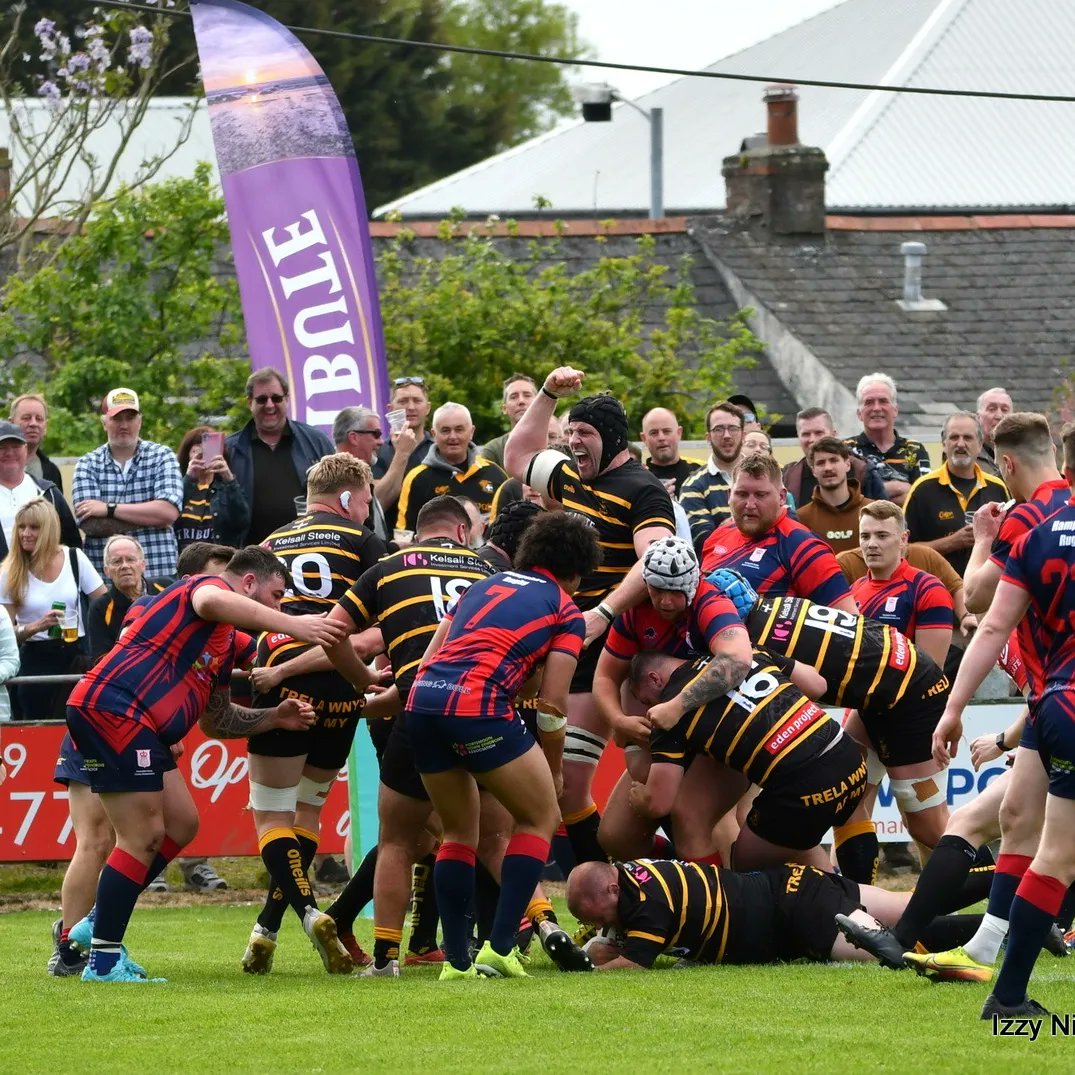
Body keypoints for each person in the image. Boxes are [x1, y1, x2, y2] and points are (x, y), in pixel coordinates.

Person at [65, 545, 347, 983]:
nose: (280, 605)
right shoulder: (205, 588)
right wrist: (297, 624)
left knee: (181, 824)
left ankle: (97, 922)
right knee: (141, 835)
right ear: (248, 583)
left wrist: (275, 716)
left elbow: (218, 721)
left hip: (141, 724)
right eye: (276, 595)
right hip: (116, 710)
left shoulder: (225, 641)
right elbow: (212, 600)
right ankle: (102, 960)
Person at [397, 511, 602, 980]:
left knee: (458, 832)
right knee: (540, 815)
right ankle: (502, 947)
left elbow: (431, 656)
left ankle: (455, 962)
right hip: (478, 705)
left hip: (424, 702)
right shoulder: (565, 611)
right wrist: (552, 768)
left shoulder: (481, 586)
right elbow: (552, 705)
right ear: (575, 571)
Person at [929, 420, 1075, 1020]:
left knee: (1025, 828)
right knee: (1055, 855)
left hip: (1055, 703)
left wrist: (953, 708)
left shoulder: (1039, 533)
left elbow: (986, 621)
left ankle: (991, 961)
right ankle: (1006, 993)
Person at [504, 367, 675, 868]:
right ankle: (613, 893)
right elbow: (516, 455)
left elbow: (656, 560)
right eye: (571, 432)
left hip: (620, 645)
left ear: (615, 439)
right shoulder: (570, 477)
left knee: (614, 786)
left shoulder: (642, 490)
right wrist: (548, 395)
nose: (574, 441)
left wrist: (603, 612)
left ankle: (650, 887)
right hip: (572, 642)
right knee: (568, 790)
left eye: (586, 434)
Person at [706, 575, 952, 879]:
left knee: (928, 826)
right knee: (848, 801)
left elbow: (811, 688)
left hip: (907, 695)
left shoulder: (752, 644)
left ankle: (994, 890)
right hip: (890, 682)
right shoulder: (775, 606)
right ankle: (857, 900)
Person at [240, 453, 383, 975]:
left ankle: (305, 914)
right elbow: (376, 628)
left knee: (272, 814)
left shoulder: (270, 542)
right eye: (367, 501)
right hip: (343, 685)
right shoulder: (365, 544)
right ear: (348, 498)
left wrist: (277, 670)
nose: (368, 512)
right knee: (308, 811)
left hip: (279, 672)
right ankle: (266, 927)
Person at [628, 649, 868, 872]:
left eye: (647, 701)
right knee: (793, 839)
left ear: (655, 679)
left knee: (744, 869)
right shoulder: (747, 652)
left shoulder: (668, 715)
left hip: (804, 787)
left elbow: (658, 803)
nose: (650, 709)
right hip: (850, 759)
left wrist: (642, 801)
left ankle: (744, 912)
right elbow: (817, 685)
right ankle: (856, 903)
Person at [592, 537, 751, 864]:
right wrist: (617, 720)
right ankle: (682, 874)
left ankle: (731, 904)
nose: (665, 601)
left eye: (675, 592)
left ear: (693, 584)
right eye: (657, 590)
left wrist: (677, 706)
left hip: (719, 734)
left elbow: (737, 660)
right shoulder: (635, 611)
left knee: (698, 819)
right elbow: (605, 676)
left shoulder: (710, 602)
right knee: (616, 838)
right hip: (667, 732)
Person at [565, 858, 975, 971]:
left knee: (898, 945)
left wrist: (591, 960)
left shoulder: (646, 903)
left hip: (793, 915)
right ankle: (1012, 880)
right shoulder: (629, 871)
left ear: (613, 889)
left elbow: (632, 964)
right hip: (796, 883)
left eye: (597, 913)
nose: (601, 923)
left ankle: (1011, 923)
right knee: (913, 903)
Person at [699, 453, 858, 613]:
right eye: (742, 494)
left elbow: (849, 620)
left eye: (761, 495)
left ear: (782, 497)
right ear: (729, 495)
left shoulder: (805, 547)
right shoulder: (717, 537)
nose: (750, 504)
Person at [1, 499, 106, 721]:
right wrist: (35, 626)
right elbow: (5, 633)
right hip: (33, 657)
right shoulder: (10, 571)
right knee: (35, 724)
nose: (25, 533)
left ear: (49, 530)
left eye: (34, 527)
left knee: (78, 722)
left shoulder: (74, 558)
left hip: (75, 653)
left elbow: (105, 604)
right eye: (21, 527)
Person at [72, 387, 184, 577]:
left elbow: (168, 512)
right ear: (104, 423)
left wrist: (109, 509)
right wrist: (152, 518)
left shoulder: (163, 456)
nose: (124, 424)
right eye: (117, 418)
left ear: (140, 421)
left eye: (130, 417)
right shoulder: (87, 463)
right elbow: (90, 524)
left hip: (159, 576)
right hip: (106, 582)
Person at [224, 368, 334, 545]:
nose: (269, 405)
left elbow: (339, 492)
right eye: (261, 399)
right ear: (249, 402)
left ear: (287, 399)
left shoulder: (316, 442)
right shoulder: (229, 449)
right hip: (248, 557)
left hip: (307, 549)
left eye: (276, 398)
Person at [903, 411, 1009, 579]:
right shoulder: (922, 489)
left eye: (968, 438)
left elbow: (1010, 544)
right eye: (954, 437)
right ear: (944, 443)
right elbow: (902, 550)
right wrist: (952, 542)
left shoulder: (997, 488)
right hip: (936, 592)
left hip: (985, 592)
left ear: (980, 444)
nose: (960, 444)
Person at [396, 402, 507, 532]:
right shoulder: (417, 479)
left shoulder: (495, 474)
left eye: (459, 429)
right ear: (433, 434)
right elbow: (405, 536)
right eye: (445, 430)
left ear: (471, 432)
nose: (453, 437)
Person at [844, 373, 931, 505]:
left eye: (883, 401)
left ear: (895, 410)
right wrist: (901, 488)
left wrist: (870, 493)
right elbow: (847, 499)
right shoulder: (846, 449)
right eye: (869, 402)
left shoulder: (915, 449)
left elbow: (923, 499)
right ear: (859, 414)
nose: (877, 408)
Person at [0, 419, 80, 559]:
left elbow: (71, 545)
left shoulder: (49, 493)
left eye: (16, 446)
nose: (9, 452)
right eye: (2, 447)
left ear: (25, 449)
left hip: (43, 578)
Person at [86, 536, 171, 665]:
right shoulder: (100, 608)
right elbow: (100, 659)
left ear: (143, 565)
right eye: (117, 561)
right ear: (107, 571)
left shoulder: (166, 589)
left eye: (130, 559)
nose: (124, 566)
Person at [783, 407, 884, 505]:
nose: (812, 439)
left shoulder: (862, 471)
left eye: (819, 433)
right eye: (806, 434)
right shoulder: (789, 477)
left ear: (833, 434)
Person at [679, 400, 744, 552]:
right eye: (719, 429)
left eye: (733, 428)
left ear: (743, 434)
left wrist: (725, 528)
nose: (727, 435)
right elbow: (705, 542)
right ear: (708, 437)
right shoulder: (692, 486)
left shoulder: (766, 476)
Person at [173, 425, 250, 551]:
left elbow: (242, 522)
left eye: (208, 451)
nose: (202, 456)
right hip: (183, 562)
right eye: (196, 452)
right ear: (186, 455)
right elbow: (169, 514)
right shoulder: (178, 485)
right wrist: (189, 478)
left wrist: (229, 479)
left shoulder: (227, 488)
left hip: (218, 562)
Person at [371, 376, 431, 530]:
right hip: (394, 545)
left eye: (417, 401)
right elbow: (377, 505)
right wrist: (402, 453)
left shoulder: (439, 451)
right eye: (403, 401)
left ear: (428, 408)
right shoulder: (377, 452)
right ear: (390, 408)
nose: (410, 407)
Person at [332, 405, 396, 545]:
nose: (381, 441)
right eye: (376, 434)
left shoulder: (360, 475)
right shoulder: (330, 479)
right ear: (354, 437)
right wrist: (393, 548)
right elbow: (348, 538)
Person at [796, 437, 874, 554]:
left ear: (847, 464)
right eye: (821, 463)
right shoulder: (801, 519)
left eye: (834, 460)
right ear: (813, 471)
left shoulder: (873, 511)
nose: (828, 468)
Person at [480, 373, 537, 468]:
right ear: (504, 408)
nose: (521, 401)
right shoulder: (493, 450)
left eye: (527, 395)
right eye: (514, 397)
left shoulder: (554, 442)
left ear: (538, 402)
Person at [9, 393, 63, 490]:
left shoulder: (52, 471)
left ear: (45, 426)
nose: (33, 423)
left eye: (39, 419)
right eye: (26, 418)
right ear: (11, 423)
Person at [640, 407, 697, 496]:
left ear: (679, 433)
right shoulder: (637, 480)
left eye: (666, 431)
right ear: (644, 439)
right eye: (654, 433)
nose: (661, 438)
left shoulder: (699, 474)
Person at [976, 387, 1014, 478]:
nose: (999, 416)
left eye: (1004, 410)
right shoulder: (969, 457)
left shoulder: (1023, 456)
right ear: (978, 417)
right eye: (992, 409)